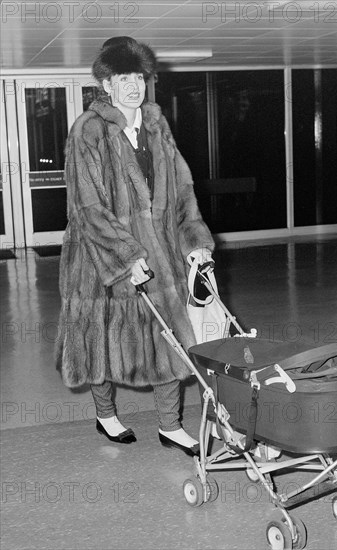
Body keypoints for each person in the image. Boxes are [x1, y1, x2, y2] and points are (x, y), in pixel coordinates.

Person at [56, 36, 215, 455]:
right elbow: (86, 207)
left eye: (139, 77)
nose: (133, 85)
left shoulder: (157, 127)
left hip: (160, 253)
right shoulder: (87, 131)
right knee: (100, 341)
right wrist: (127, 258)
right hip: (100, 258)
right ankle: (106, 415)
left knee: (168, 337)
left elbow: (181, 192)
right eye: (123, 77)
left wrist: (195, 243)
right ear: (106, 84)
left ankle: (170, 425)